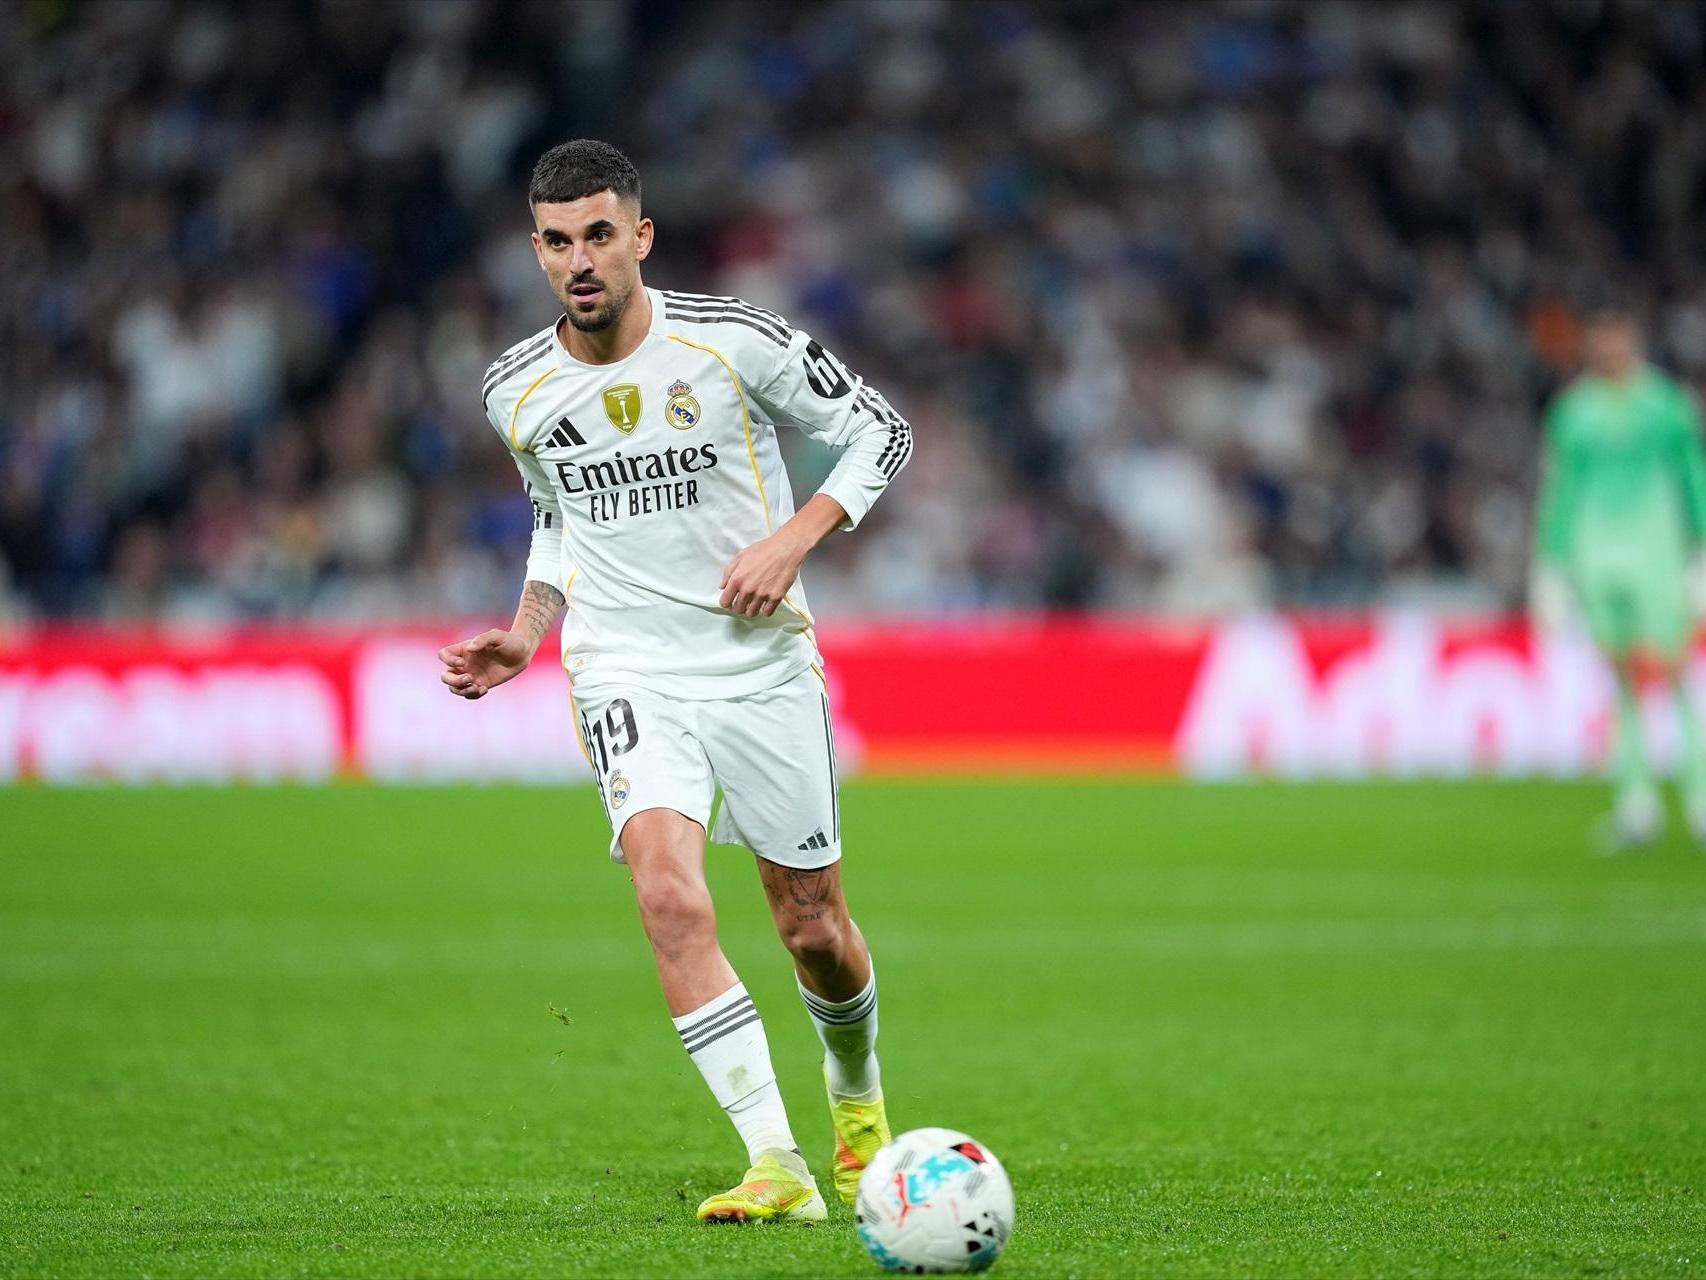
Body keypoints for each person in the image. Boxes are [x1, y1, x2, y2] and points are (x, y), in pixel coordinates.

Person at [438, 140, 909, 1221]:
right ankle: (776, 1163)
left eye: (599, 234)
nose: (579, 260)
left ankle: (855, 1101)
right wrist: (523, 630)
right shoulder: (512, 389)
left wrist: (794, 537)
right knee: (666, 895)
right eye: (557, 242)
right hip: (622, 664)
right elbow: (559, 515)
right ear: (536, 251)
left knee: (812, 928)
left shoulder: (731, 341)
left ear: (639, 236)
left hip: (757, 664)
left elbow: (879, 429)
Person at [1532, 305, 1706, 847]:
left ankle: (1699, 795)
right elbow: (1560, 490)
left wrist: (1701, 547)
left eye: (1618, 341)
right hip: (1594, 555)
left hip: (1656, 549)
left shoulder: (1666, 406)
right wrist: (1551, 565)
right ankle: (1637, 801)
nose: (1609, 352)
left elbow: (1692, 473)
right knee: (1620, 675)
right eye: (1601, 343)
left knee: (1675, 668)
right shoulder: (1573, 411)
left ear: (1633, 340)